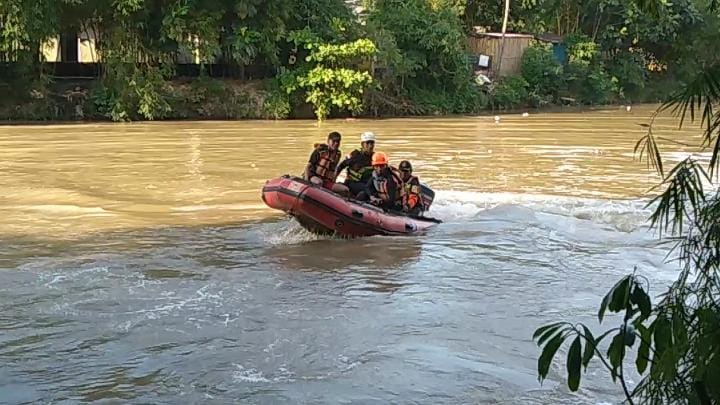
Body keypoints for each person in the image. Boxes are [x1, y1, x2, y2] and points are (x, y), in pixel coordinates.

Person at [334, 131, 376, 197]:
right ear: (362, 144)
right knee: (368, 189)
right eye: (367, 143)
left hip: (367, 184)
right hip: (353, 183)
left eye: (372, 143)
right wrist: (334, 179)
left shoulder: (375, 157)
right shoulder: (355, 155)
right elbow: (341, 166)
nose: (370, 146)